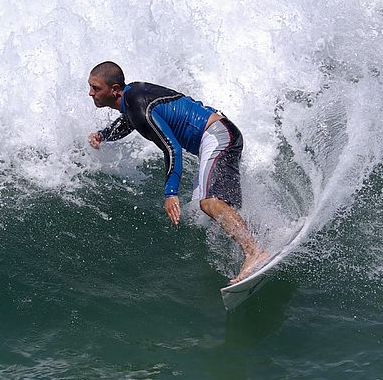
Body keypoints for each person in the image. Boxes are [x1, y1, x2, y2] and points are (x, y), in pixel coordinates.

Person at [86, 61, 268, 284]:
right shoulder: (132, 97)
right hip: (219, 135)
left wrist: (170, 192)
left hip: (217, 136)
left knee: (209, 202)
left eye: (96, 88)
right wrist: (104, 135)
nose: (90, 93)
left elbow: (172, 148)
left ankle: (254, 252)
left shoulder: (138, 105)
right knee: (211, 208)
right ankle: (262, 234)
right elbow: (130, 121)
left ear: (114, 90)